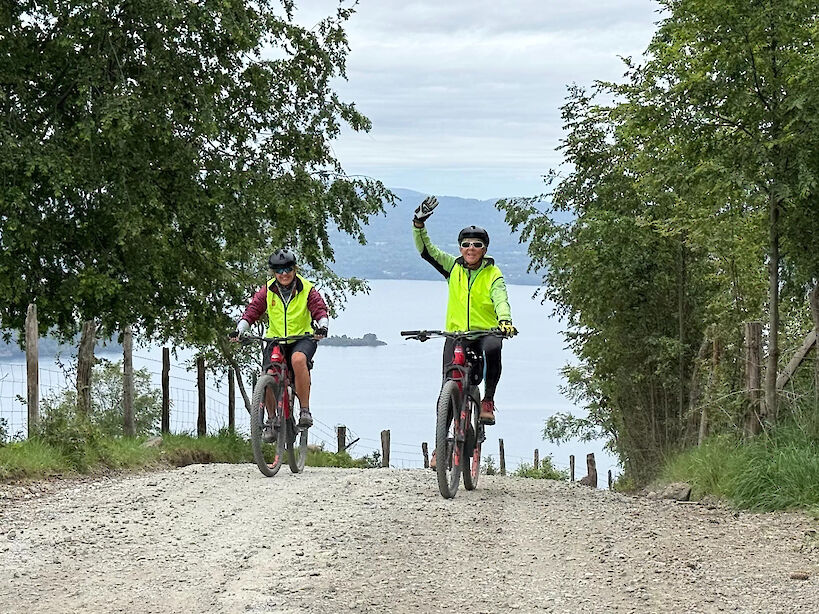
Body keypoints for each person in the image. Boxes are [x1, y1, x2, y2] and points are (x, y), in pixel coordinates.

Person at [412, 195, 517, 431]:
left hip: (485, 332)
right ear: (460, 248)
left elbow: (500, 298)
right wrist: (418, 224)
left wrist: (504, 320)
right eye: (467, 244)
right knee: (446, 389)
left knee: (494, 347)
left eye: (477, 245)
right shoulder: (452, 267)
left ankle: (488, 400)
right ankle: (442, 447)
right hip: (456, 334)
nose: (471, 248)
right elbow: (426, 251)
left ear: (485, 249)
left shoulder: (493, 274)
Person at [231, 249, 329, 436]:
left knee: (299, 361)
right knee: (268, 375)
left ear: (294, 269)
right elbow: (252, 311)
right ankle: (271, 419)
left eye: (288, 269)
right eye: (279, 270)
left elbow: (320, 310)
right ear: (273, 272)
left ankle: (304, 410)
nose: (284, 274)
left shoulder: (307, 288)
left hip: (302, 338)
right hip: (275, 339)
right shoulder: (267, 290)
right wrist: (239, 330)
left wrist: (322, 327)